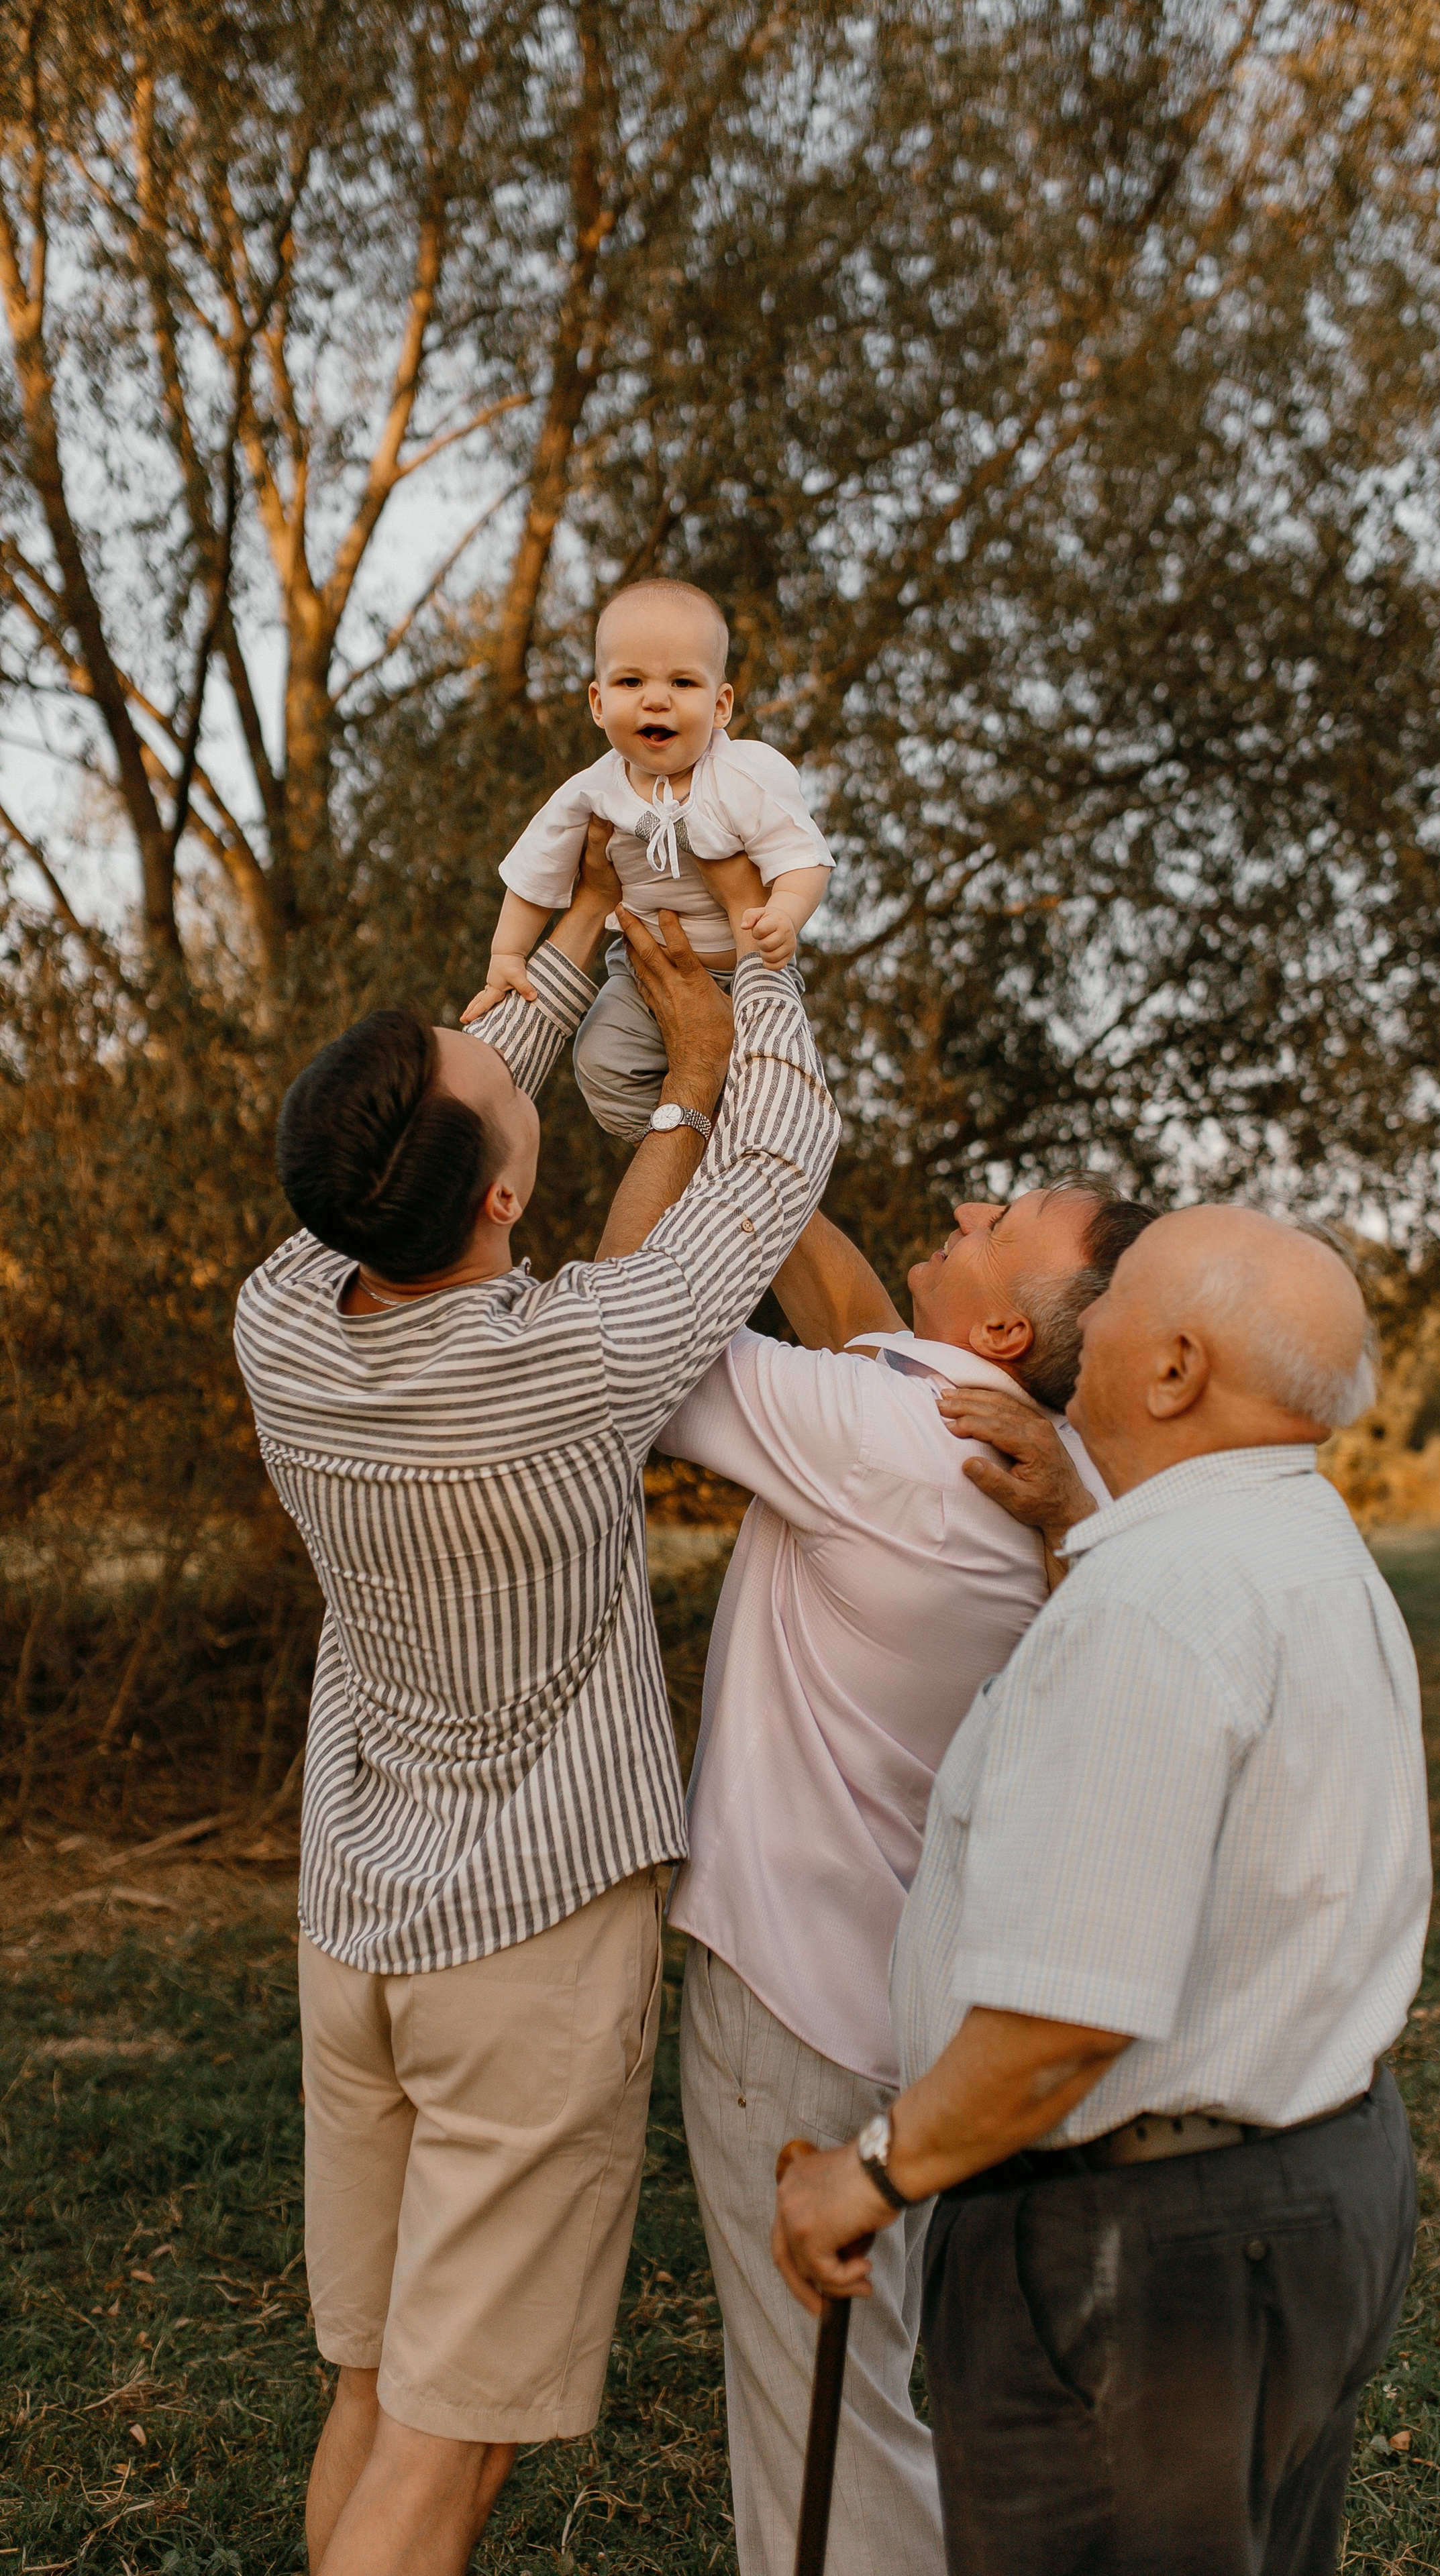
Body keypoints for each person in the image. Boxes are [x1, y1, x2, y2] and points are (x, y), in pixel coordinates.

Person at [233, 853, 838, 2576]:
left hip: (355, 1914)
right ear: (500, 1200)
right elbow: (778, 1168)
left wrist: (570, 930)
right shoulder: (574, 1360)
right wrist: (750, 984)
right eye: (492, 1061)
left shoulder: (284, 1312)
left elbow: (454, 1111)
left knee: (372, 2388)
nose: (498, 1030)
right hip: (526, 1944)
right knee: (446, 2439)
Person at [774, 1205, 1432, 2576]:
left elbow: (1060, 2024)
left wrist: (870, 2176)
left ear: (1176, 1369)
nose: (1091, 1310)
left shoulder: (1149, 1609)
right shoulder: (1301, 1538)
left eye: (1117, 1291)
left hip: (1146, 2261)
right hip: (1319, 2179)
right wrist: (1079, 1517)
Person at [653, 1182, 1151, 2576]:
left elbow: (637, 1330)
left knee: (818, 2427)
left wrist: (694, 1120)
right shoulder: (1064, 1478)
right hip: (926, 2007)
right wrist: (762, 1170)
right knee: (880, 2384)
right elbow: (852, 1316)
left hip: (790, 2006)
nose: (966, 1197)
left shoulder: (880, 1430)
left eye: (1004, 1217)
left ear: (999, 1327)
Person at [463, 579, 832, 1137]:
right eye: (630, 681)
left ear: (721, 705)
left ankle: (749, 1139)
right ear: (597, 702)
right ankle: (693, 1147)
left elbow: (803, 857)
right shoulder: (591, 790)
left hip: (745, 972)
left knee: (773, 1083)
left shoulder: (743, 775)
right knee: (601, 1062)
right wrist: (508, 952)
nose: (655, 699)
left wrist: (786, 913)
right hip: (637, 974)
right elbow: (535, 872)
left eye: (682, 682)